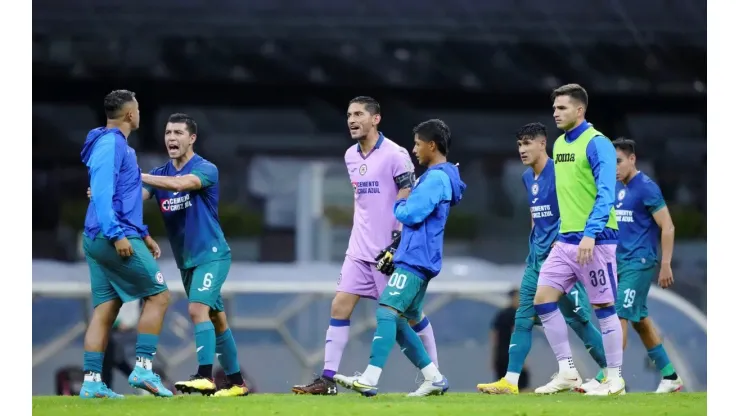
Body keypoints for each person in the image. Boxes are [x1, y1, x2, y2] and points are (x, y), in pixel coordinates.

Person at [292, 97, 439, 395]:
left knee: (408, 316)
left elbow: (408, 196)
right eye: (348, 115)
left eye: (359, 114)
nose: (351, 120)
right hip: (358, 250)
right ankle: (328, 379)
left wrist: (398, 241)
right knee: (340, 307)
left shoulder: (396, 154)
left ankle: (433, 374)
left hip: (390, 252)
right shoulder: (350, 156)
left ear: (376, 119)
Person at [334, 118, 465, 397]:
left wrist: (398, 202)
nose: (414, 149)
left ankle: (370, 377)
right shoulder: (440, 176)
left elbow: (410, 214)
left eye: (418, 144)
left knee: (386, 310)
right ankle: (434, 377)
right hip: (419, 255)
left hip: (416, 258)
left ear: (432, 145)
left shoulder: (436, 177)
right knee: (404, 317)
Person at [477, 122, 607, 395]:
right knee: (522, 317)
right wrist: (535, 244)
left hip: (563, 258)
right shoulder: (527, 178)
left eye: (527, 144)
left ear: (542, 144)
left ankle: (611, 373)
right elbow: (536, 216)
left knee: (579, 321)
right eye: (519, 145)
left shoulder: (561, 172)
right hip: (536, 259)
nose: (522, 150)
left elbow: (576, 209)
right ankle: (510, 381)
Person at [140, 113, 249, 397]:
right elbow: (135, 198)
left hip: (212, 254)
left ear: (192, 138)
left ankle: (205, 376)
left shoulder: (206, 169)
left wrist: (135, 174)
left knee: (196, 309)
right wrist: (106, 193)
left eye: (178, 133)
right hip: (186, 260)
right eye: (167, 133)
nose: (171, 138)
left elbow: (180, 185)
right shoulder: (160, 173)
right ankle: (237, 383)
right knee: (216, 318)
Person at [532, 84, 625, 396]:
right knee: (543, 299)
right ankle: (567, 371)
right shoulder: (558, 145)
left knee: (604, 307)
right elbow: (567, 193)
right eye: (555, 108)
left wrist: (590, 233)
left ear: (580, 110)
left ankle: (614, 379)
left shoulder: (598, 144)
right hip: (566, 240)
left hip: (595, 241)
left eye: (562, 108)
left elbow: (606, 193)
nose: (555, 113)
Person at [79, 89, 172, 399]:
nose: (140, 114)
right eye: (139, 109)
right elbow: (103, 196)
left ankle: (92, 382)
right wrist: (119, 235)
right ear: (130, 114)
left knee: (106, 308)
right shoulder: (109, 145)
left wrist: (143, 233)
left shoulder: (117, 147)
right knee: (158, 296)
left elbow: (124, 197)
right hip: (110, 235)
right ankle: (144, 369)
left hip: (106, 233)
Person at [578, 138, 683, 394]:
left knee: (618, 314)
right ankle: (670, 376)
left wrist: (666, 263)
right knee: (640, 320)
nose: (614, 167)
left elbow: (667, 226)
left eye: (618, 161)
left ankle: (609, 376)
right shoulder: (612, 187)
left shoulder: (646, 187)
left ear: (632, 159)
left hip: (640, 261)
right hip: (617, 261)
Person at [489, 289, 531, 389]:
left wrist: (494, 356)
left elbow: (494, 335)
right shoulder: (516, 315)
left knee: (503, 385)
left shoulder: (501, 314)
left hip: (501, 354)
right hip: (510, 355)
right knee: (520, 384)